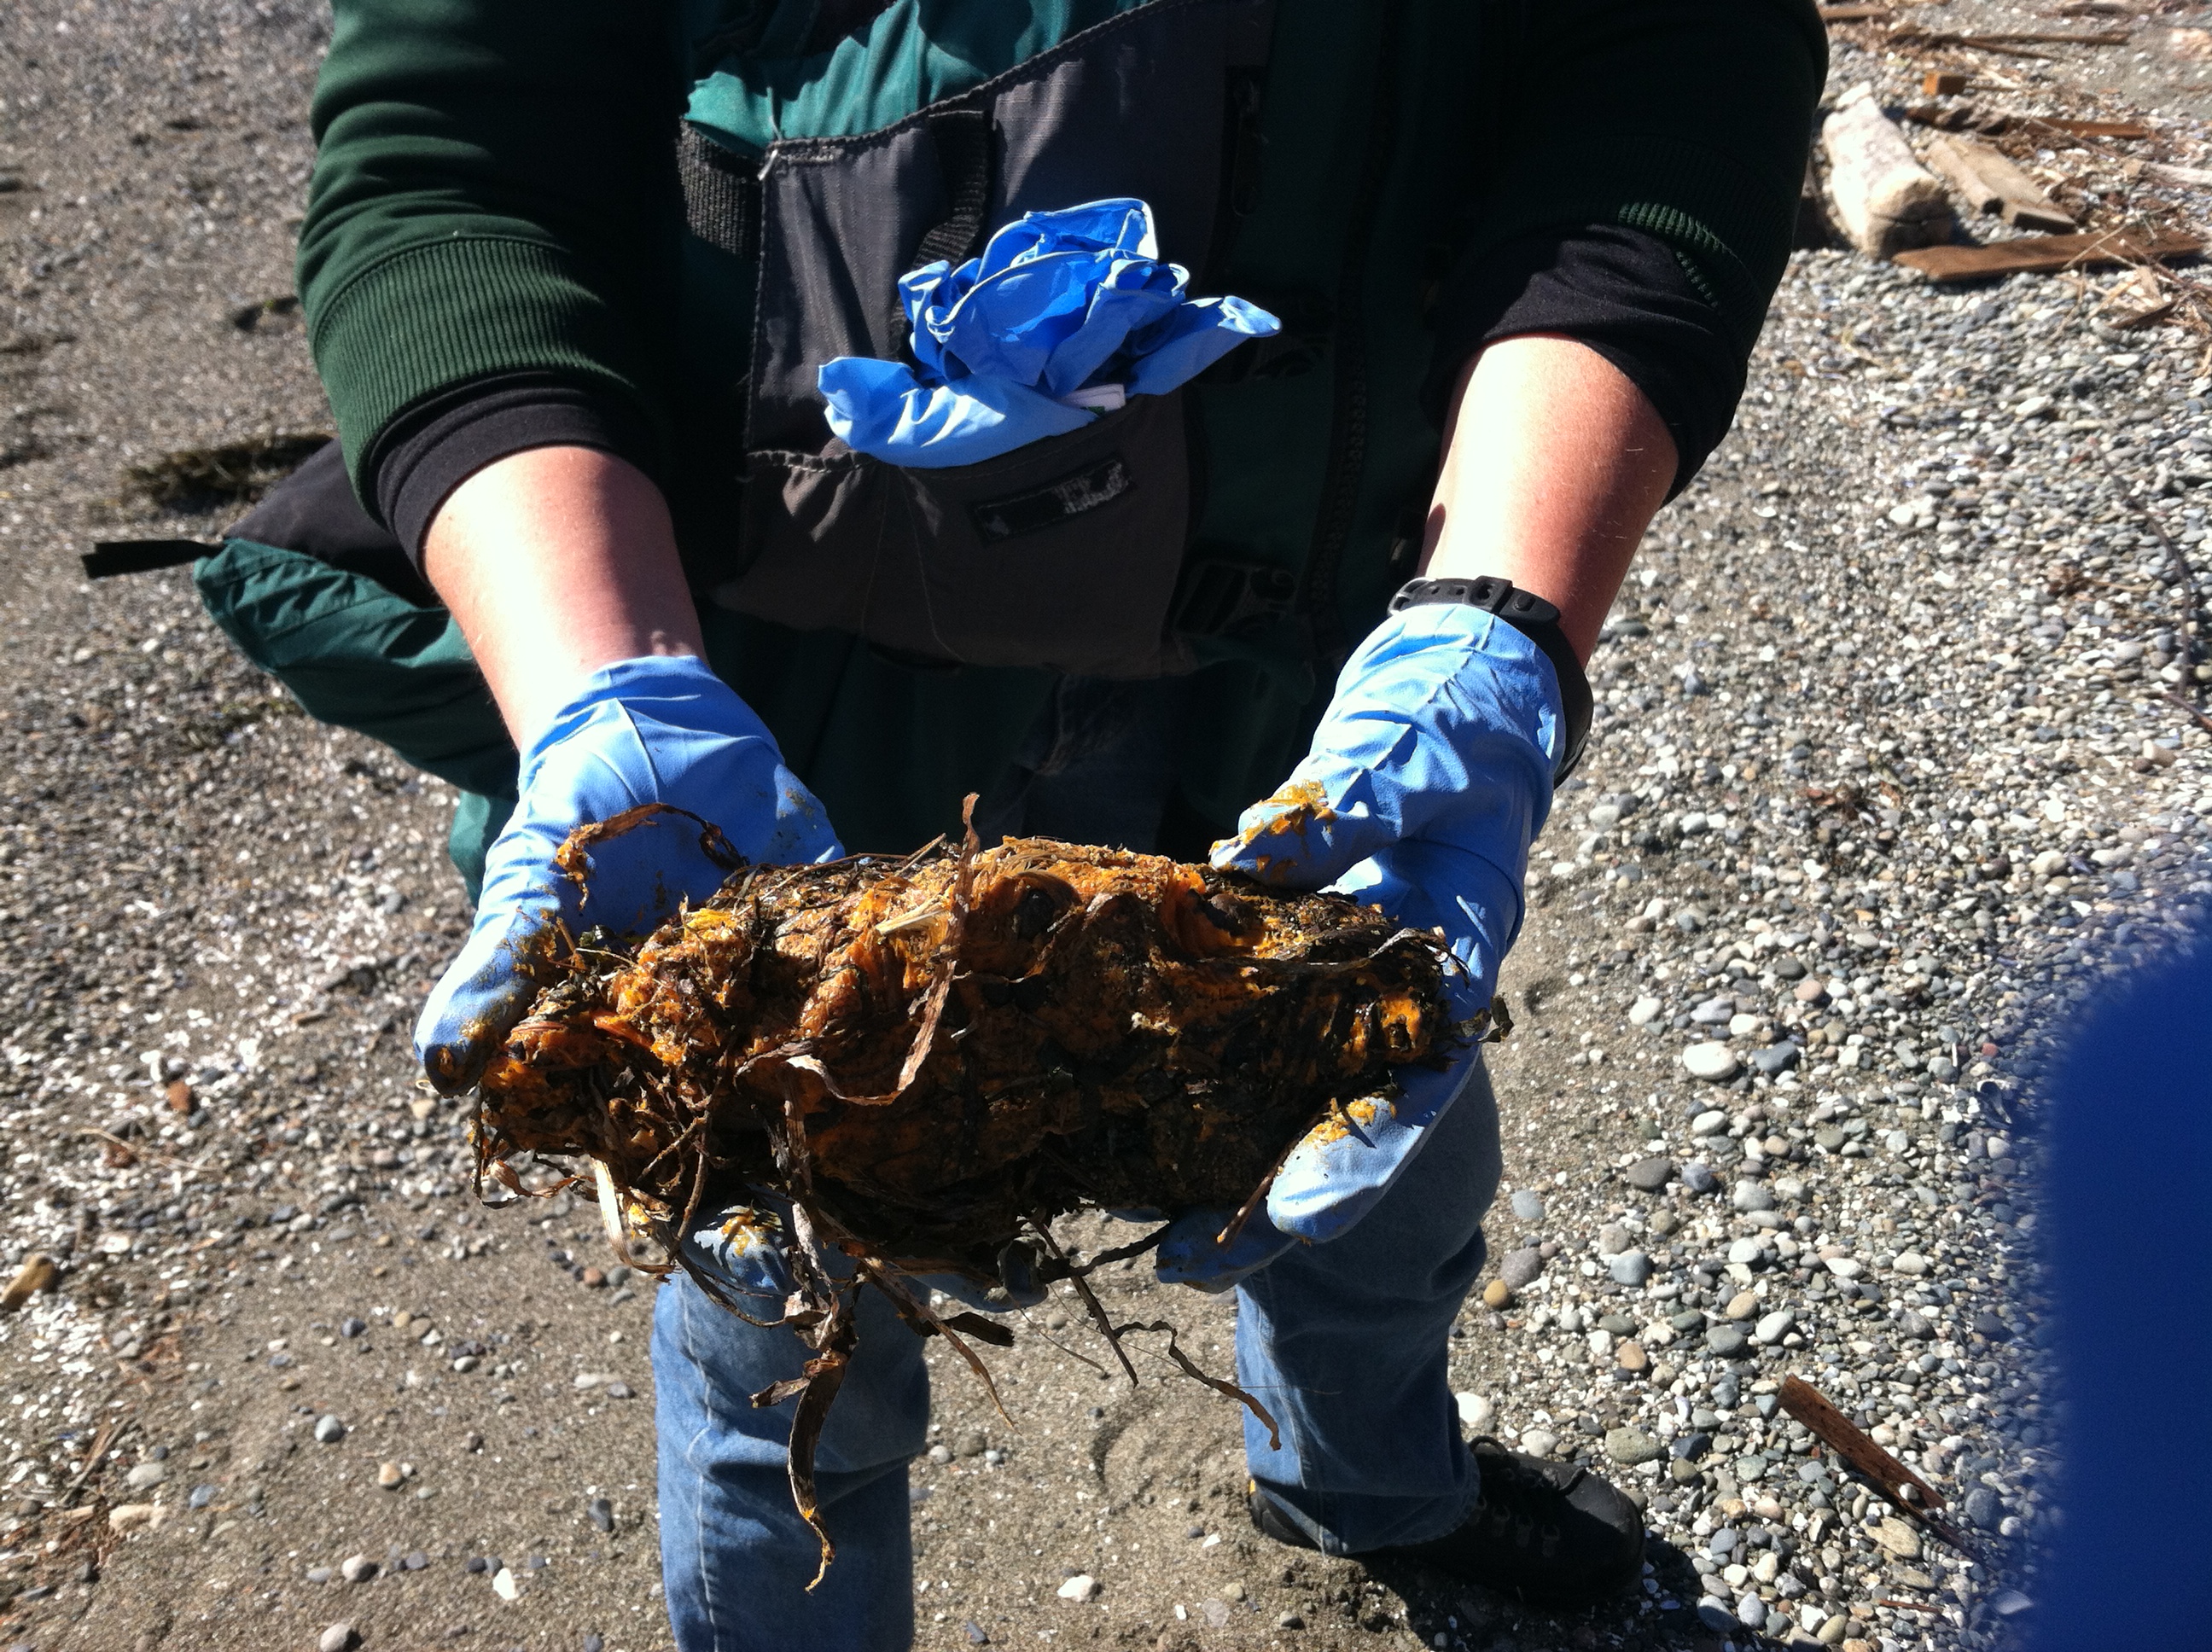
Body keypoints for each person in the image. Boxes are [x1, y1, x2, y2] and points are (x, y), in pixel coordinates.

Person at [192, 2, 1825, 1645]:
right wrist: (597, 683)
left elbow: (1668, 74)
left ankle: (1370, 1485)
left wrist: (1498, 614)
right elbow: (453, 164)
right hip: (778, 761)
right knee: (779, 1314)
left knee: (1383, 1138)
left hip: (1316, 716)